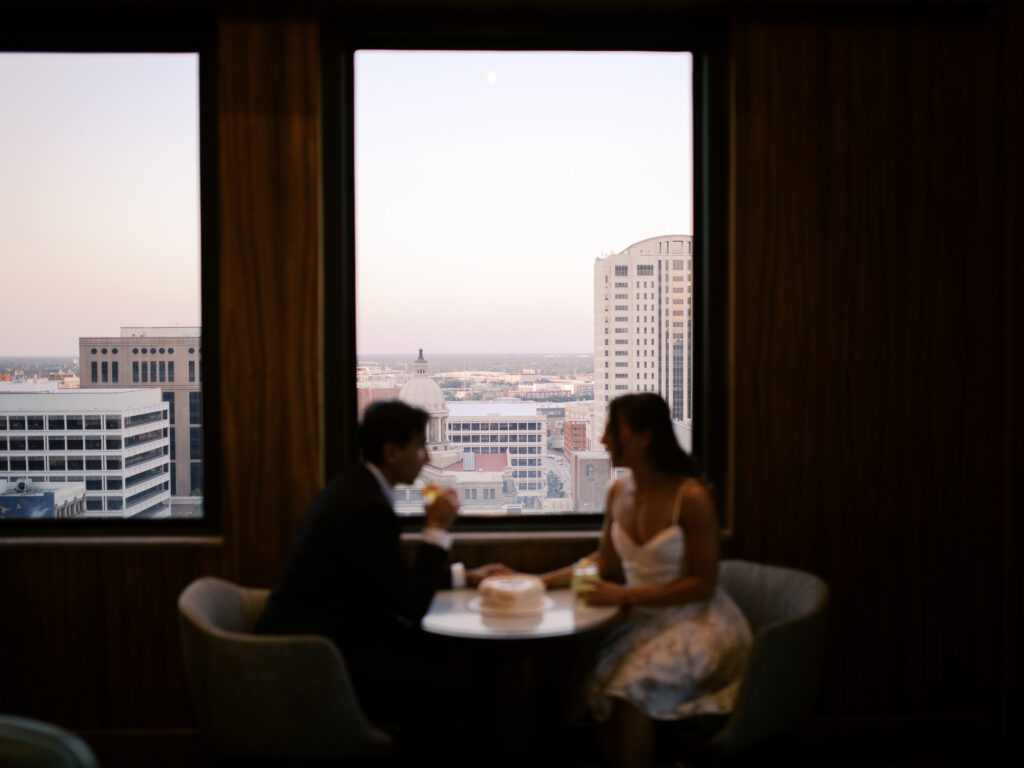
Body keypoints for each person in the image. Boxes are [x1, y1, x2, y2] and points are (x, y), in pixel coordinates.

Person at [255, 400, 507, 735]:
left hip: (328, 637)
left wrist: (466, 576)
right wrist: (436, 529)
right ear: (391, 453)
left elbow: (388, 581)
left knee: (448, 655)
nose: (428, 457)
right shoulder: (367, 507)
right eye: (420, 447)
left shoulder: (356, 489)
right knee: (457, 679)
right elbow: (410, 605)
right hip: (316, 657)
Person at [539, 393, 751, 768]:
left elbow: (703, 583)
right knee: (598, 692)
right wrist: (538, 582)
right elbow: (604, 563)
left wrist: (624, 595)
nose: (602, 439)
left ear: (644, 436)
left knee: (629, 693)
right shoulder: (618, 491)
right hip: (642, 624)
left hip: (694, 622)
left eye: (611, 430)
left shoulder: (692, 498)